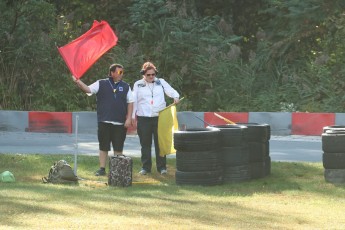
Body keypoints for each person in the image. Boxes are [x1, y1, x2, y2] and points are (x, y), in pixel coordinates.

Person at [72, 63, 134, 176]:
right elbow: (88, 90)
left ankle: (117, 170)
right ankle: (102, 169)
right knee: (103, 146)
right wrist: (78, 81)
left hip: (120, 122)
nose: (121, 74)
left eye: (122, 72)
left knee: (118, 147)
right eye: (119, 72)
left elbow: (130, 102)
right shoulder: (101, 83)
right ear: (112, 73)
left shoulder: (126, 86)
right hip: (104, 121)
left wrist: (129, 118)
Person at [132, 61, 180, 175]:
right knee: (145, 144)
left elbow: (171, 91)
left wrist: (176, 96)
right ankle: (146, 167)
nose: (151, 77)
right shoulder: (138, 84)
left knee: (160, 144)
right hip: (143, 118)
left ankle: (162, 167)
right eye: (148, 75)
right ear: (143, 74)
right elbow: (133, 100)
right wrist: (133, 116)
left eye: (153, 74)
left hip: (159, 117)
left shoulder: (161, 82)